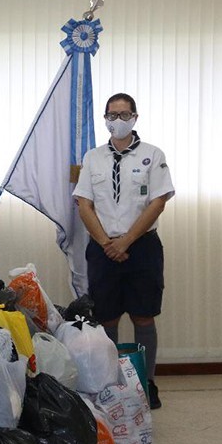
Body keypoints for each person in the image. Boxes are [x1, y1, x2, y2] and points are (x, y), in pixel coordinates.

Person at [73, 93, 175, 410]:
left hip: (141, 246)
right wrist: (107, 243)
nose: (118, 120)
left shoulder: (153, 154)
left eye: (124, 114)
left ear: (135, 117)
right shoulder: (93, 158)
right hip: (103, 245)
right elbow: (83, 204)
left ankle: (147, 382)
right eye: (112, 115)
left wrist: (126, 241)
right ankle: (111, 382)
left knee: (144, 316)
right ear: (105, 118)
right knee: (106, 318)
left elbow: (158, 202)